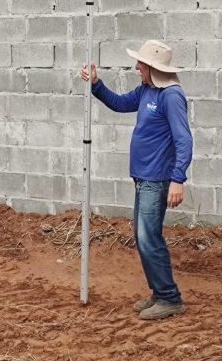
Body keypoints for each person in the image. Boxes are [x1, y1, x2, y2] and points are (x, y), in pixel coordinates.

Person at [81, 40, 193, 320]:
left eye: (141, 64)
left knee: (148, 237)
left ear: (153, 67)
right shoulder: (147, 91)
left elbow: (184, 140)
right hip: (143, 178)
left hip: (157, 179)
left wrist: (178, 179)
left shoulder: (171, 96)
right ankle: (159, 292)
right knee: (143, 237)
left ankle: (170, 298)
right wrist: (96, 84)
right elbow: (119, 103)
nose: (137, 68)